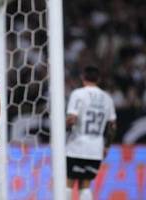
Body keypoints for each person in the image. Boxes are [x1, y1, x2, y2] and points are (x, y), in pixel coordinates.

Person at [65, 65, 117, 200]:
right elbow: (112, 126)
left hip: (76, 146)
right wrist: (107, 146)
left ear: (83, 78)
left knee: (68, 183)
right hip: (95, 149)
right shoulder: (107, 98)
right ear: (98, 79)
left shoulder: (78, 94)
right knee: (85, 186)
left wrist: (61, 128)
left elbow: (72, 119)